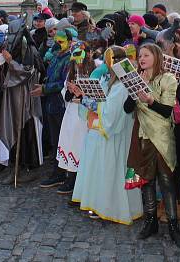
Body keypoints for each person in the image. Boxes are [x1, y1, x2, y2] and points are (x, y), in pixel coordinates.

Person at [71, 46, 143, 224]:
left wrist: (85, 100)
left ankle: (111, 206)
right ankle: (99, 203)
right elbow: (100, 98)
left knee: (112, 169)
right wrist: (84, 95)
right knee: (102, 169)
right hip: (103, 132)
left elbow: (110, 110)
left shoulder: (122, 84)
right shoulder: (108, 80)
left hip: (114, 135)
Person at [125, 43, 180, 248]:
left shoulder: (167, 79)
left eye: (146, 55)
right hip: (143, 135)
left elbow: (167, 111)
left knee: (167, 182)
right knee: (146, 181)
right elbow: (127, 108)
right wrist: (135, 91)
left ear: (156, 57)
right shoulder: (136, 77)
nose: (141, 58)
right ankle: (150, 221)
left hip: (161, 136)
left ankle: (173, 225)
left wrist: (150, 99)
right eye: (140, 55)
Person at [0, 18, 44, 185]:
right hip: (12, 97)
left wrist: (10, 61)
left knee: (26, 133)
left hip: (25, 100)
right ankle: (14, 168)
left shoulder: (29, 49)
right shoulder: (13, 47)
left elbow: (27, 72)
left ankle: (28, 168)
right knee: (13, 129)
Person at [37, 27, 76, 188]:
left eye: (61, 41)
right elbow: (51, 75)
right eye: (56, 41)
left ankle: (69, 175)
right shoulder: (55, 56)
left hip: (62, 104)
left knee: (66, 141)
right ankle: (58, 172)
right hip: (51, 104)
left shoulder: (70, 59)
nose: (58, 44)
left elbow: (64, 82)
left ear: (69, 41)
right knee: (55, 141)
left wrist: (45, 88)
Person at [56, 42, 95, 195]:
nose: (78, 62)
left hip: (86, 114)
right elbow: (66, 96)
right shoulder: (71, 73)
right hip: (72, 113)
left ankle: (81, 180)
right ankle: (70, 177)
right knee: (71, 143)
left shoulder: (95, 71)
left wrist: (81, 93)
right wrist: (72, 91)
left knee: (81, 145)